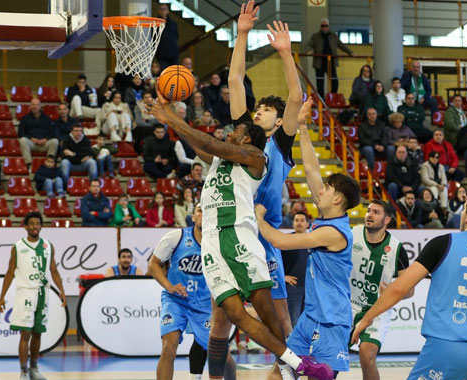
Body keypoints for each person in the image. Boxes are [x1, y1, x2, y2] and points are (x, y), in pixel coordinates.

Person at [150, 59, 333, 379]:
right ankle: (243, 373)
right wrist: (168, 116)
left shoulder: (254, 156)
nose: (231, 132)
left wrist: (171, 117)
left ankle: (297, 366)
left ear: (247, 139)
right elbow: (199, 144)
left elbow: (209, 141)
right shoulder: (224, 159)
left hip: (243, 236)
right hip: (213, 244)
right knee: (229, 315)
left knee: (273, 316)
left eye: (236, 131)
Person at [351, 191, 467, 380]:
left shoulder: (445, 243)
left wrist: (366, 319)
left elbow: (398, 288)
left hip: (446, 348)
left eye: (464, 211)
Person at [256, 104, 361, 379]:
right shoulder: (327, 216)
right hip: (309, 318)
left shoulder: (334, 232)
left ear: (337, 199)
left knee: (320, 377)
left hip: (331, 319)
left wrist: (255, 217)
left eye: (326, 189)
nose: (320, 190)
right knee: (278, 372)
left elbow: (278, 240)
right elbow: (312, 169)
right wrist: (303, 127)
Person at [230, 22, 305, 379]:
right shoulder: (246, 139)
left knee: (281, 324)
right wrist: (241, 35)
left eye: (264, 109)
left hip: (264, 237)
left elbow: (295, 97)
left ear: (278, 122)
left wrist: (286, 54)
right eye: (256, 107)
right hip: (232, 230)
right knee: (219, 326)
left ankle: (287, 373)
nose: (257, 111)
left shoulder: (280, 144)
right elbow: (234, 82)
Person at [147, 204, 233, 380]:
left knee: (224, 356)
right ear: (193, 217)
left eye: (206, 211)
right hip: (176, 301)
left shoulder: (220, 242)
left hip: (206, 305)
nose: (203, 214)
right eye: (200, 210)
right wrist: (169, 286)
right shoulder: (176, 237)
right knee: (168, 347)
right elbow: (153, 264)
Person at [0, 212, 66, 380]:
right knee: (25, 334)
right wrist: (2, 296)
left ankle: (34, 369)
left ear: (41, 226)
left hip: (43, 293)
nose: (35, 226)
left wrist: (62, 290)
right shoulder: (18, 247)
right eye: (32, 223)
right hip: (25, 292)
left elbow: (53, 270)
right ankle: (23, 372)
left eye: (38, 223)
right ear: (25, 226)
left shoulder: (48, 246)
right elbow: (10, 272)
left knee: (37, 333)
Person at [349, 200, 412, 380]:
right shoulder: (353, 234)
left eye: (376, 212)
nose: (369, 215)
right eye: (368, 211)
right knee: (329, 355)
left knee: (366, 354)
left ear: (387, 220)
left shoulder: (397, 249)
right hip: (347, 307)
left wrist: (392, 290)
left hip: (377, 312)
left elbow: (410, 291)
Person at [301, 17, 353, 97]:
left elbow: (341, 45)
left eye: (326, 26)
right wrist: (309, 51)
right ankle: (321, 99)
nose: (324, 27)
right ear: (320, 26)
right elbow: (308, 45)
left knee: (335, 81)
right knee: (320, 82)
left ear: (328, 26)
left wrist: (350, 52)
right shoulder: (315, 36)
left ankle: (332, 96)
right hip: (319, 62)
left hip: (331, 62)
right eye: (323, 26)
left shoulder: (333, 36)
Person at [281, 211, 310, 327]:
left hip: (309, 289)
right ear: (292, 224)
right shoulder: (286, 240)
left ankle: (303, 345)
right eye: (296, 220)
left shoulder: (312, 241)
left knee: (306, 322)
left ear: (307, 224)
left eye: (302, 220)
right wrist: (283, 277)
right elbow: (275, 262)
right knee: (293, 322)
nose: (299, 223)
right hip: (293, 288)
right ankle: (291, 345)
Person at [19, 98, 59, 166]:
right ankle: (28, 163)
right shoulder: (24, 118)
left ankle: (50, 163)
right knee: (23, 140)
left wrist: (46, 139)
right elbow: (21, 133)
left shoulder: (47, 119)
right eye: (33, 104)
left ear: (40, 107)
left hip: (45, 143)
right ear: (30, 106)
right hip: (32, 143)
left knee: (55, 141)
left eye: (37, 105)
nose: (35, 107)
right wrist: (31, 138)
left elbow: (52, 133)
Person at [155, 3, 179, 70]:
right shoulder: (155, 24)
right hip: (161, 55)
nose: (163, 11)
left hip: (174, 54)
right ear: (158, 11)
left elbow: (176, 36)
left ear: (168, 11)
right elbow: (154, 39)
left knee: (175, 73)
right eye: (161, 9)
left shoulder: (173, 24)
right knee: (164, 73)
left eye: (165, 9)